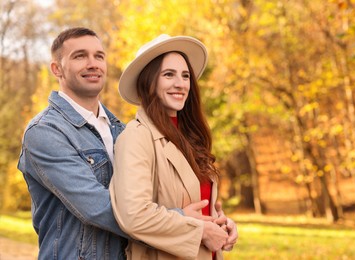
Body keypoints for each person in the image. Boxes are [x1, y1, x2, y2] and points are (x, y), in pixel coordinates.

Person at [18, 27, 236, 259]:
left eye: (99, 56)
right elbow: (102, 208)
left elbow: (154, 199)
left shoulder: (118, 129)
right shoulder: (45, 132)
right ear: (57, 69)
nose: (93, 64)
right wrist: (187, 223)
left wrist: (213, 222)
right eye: (80, 56)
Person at [110, 34, 237, 260]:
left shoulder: (191, 137)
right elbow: (134, 215)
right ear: (149, 81)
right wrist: (200, 231)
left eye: (185, 76)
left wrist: (222, 222)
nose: (180, 83)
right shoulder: (136, 137)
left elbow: (200, 202)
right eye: (168, 74)